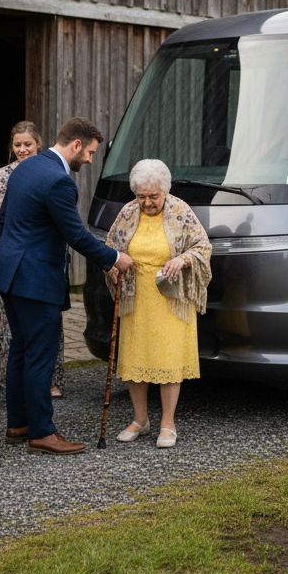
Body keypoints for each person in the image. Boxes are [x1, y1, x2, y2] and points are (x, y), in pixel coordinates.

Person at [0, 117, 134, 455]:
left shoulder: (27, 167)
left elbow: (5, 218)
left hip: (10, 270)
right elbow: (76, 234)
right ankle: (42, 432)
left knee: (22, 350)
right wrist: (113, 257)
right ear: (76, 145)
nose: (91, 160)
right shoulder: (59, 181)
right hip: (34, 279)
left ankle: (18, 423)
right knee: (40, 354)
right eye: (92, 153)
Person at [105, 159, 211, 449]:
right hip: (136, 298)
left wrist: (182, 258)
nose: (148, 203)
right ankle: (140, 419)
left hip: (170, 298)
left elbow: (202, 247)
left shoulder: (181, 211)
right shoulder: (128, 212)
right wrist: (114, 265)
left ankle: (167, 422)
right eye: (142, 197)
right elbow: (110, 247)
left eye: (154, 196)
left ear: (165, 190)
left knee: (167, 359)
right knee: (136, 358)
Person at [0, 121, 67, 399]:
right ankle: (12, 384)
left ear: (38, 144)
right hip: (11, 256)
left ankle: (49, 380)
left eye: (27, 144)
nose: (22, 149)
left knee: (45, 326)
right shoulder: (2, 175)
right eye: (17, 145)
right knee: (13, 330)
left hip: (39, 260)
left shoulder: (49, 172)